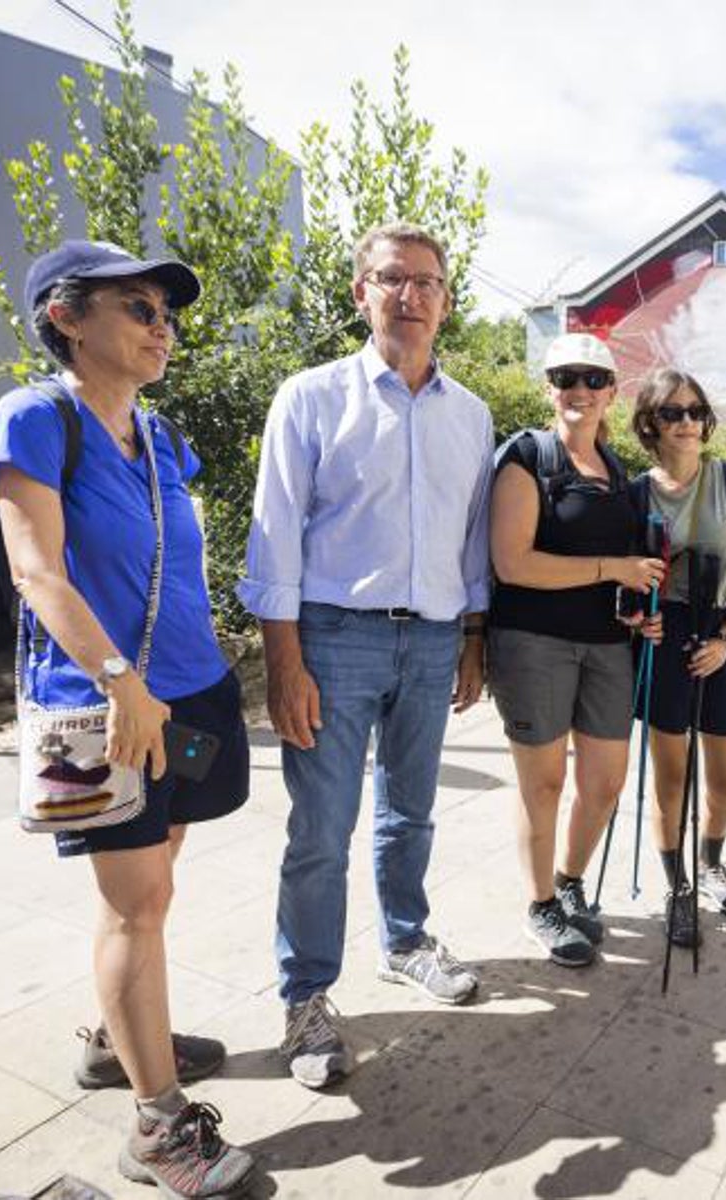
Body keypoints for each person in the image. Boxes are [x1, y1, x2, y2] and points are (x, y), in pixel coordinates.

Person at [0, 240, 253, 1197]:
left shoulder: (162, 435)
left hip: (189, 692)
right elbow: (37, 569)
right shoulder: (35, 418)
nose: (162, 327)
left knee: (159, 877)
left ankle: (119, 1036)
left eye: (166, 313)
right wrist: (116, 679)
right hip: (110, 707)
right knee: (132, 904)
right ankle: (158, 1127)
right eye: (138, 308)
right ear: (66, 317)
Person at [238, 221, 493, 1089]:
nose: (410, 295)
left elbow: (470, 539)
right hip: (334, 639)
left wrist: (469, 638)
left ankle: (406, 940)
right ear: (362, 293)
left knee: (411, 814)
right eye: (392, 279)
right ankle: (306, 997)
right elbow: (273, 539)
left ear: (446, 301)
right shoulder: (309, 399)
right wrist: (284, 661)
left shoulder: (472, 415)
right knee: (320, 832)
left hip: (430, 642)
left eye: (427, 282)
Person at [488, 333, 665, 966]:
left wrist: (638, 607)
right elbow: (513, 564)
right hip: (534, 642)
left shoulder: (618, 471)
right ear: (548, 386)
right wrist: (612, 568)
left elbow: (633, 567)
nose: (580, 391)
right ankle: (541, 903)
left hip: (608, 647)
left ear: (613, 393)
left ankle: (568, 881)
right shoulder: (526, 457)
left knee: (605, 783)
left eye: (594, 380)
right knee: (545, 783)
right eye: (566, 377)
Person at [630, 368, 726, 947]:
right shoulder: (635, 492)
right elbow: (624, 578)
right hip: (666, 634)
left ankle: (712, 863)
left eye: (694, 411)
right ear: (650, 425)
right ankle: (677, 886)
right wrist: (637, 613)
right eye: (672, 413)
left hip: (725, 631)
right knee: (672, 776)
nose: (686, 422)